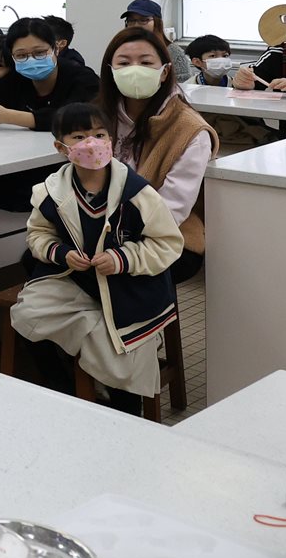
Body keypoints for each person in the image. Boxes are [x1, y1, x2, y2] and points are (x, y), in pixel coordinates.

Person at [10, 103, 183, 413]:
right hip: (77, 280)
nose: (91, 144)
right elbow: (37, 234)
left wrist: (123, 259)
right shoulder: (51, 192)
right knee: (28, 316)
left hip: (131, 286)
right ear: (61, 148)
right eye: (79, 137)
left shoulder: (137, 193)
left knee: (121, 356)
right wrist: (62, 254)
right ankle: (64, 391)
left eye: (99, 135)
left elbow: (168, 243)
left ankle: (125, 415)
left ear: (111, 140)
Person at [97, 28, 217, 284]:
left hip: (166, 236)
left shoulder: (190, 130)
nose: (135, 70)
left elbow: (172, 209)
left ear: (164, 72)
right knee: (39, 259)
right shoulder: (98, 117)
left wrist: (115, 243)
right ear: (110, 71)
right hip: (98, 226)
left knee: (103, 274)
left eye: (146, 62)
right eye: (124, 63)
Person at [0, 18, 99, 131]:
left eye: (40, 53)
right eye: (21, 55)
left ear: (56, 49)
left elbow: (75, 118)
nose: (31, 60)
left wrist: (8, 116)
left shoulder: (83, 78)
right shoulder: (14, 77)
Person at [121, 0, 193, 85]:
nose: (136, 25)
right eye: (131, 20)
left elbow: (183, 85)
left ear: (156, 22)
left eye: (143, 20)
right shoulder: (120, 49)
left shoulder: (173, 52)